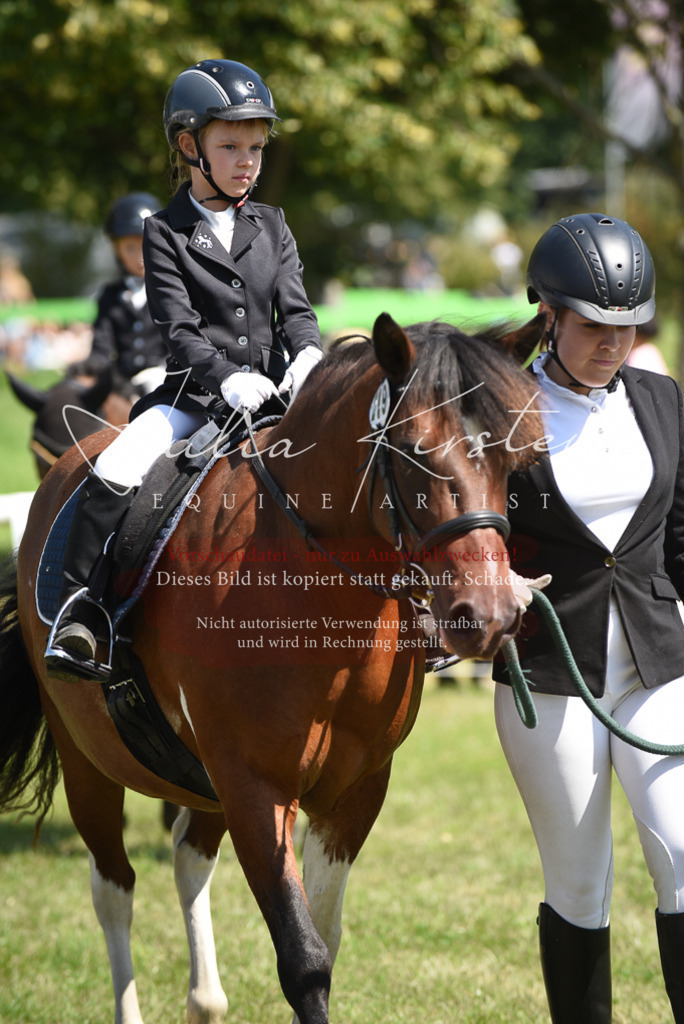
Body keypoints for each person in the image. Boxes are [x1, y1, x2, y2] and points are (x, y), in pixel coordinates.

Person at [45, 58, 322, 679]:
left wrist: (307, 354)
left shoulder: (273, 225)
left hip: (277, 395)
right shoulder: (163, 232)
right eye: (231, 146)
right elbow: (177, 327)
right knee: (116, 465)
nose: (248, 160)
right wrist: (225, 376)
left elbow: (296, 312)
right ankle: (83, 615)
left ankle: (409, 607)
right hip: (194, 398)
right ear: (190, 145)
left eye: (255, 146)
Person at [492, 212, 684, 1023]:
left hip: (658, 662)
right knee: (580, 882)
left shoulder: (663, 397)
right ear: (549, 313)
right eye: (594, 326)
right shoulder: (498, 411)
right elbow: (462, 534)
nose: (615, 343)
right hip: (551, 669)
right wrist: (492, 579)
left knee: (682, 853)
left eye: (629, 327)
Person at [87, 192, 168, 393]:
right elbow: (102, 348)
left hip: (167, 380)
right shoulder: (110, 296)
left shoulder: (173, 289)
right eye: (129, 248)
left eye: (145, 244)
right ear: (116, 249)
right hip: (123, 385)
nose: (139, 256)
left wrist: (164, 370)